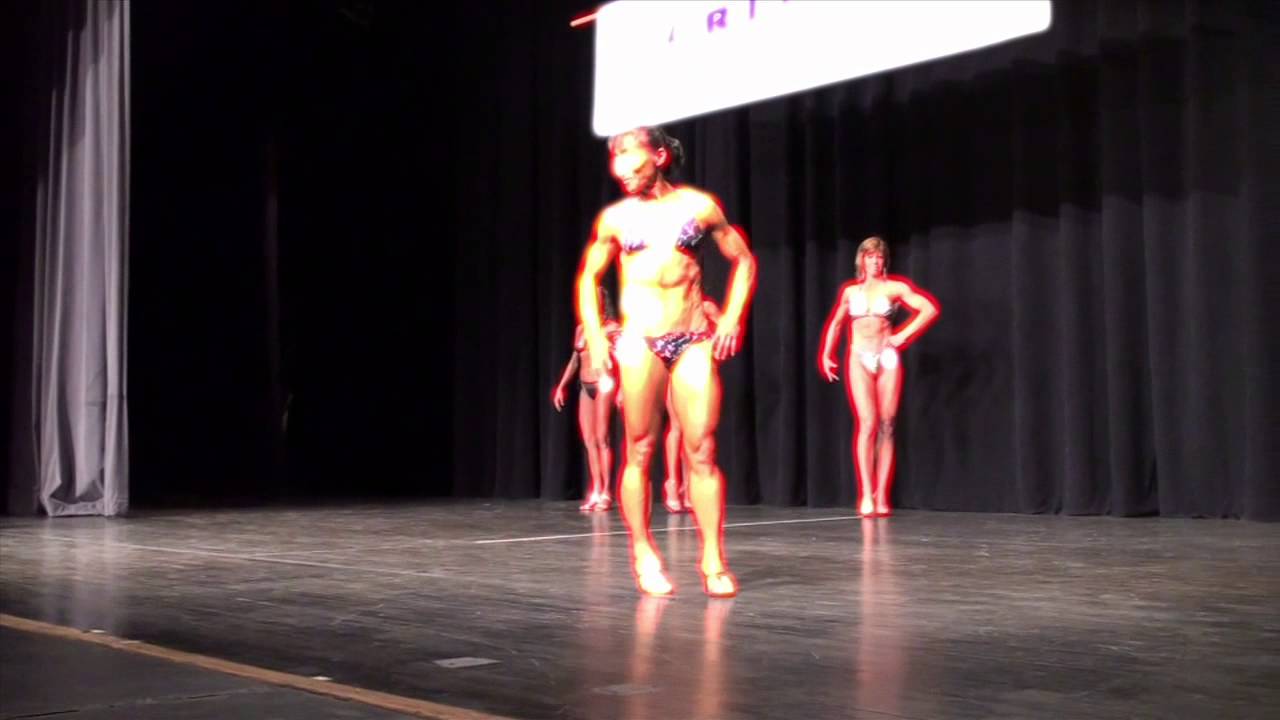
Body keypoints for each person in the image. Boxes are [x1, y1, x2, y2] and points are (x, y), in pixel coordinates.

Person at [577, 126, 757, 598]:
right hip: (640, 341)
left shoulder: (698, 207)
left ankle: (713, 558)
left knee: (702, 450)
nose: (623, 174)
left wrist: (732, 317)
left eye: (631, 162)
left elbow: (743, 260)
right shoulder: (616, 218)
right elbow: (589, 278)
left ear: (658, 156)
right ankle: (643, 553)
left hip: (693, 338)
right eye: (617, 165)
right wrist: (596, 336)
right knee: (639, 449)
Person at [819, 236, 939, 517]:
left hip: (886, 357)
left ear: (884, 261)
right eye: (870, 256)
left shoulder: (895, 288)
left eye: (879, 256)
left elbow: (929, 309)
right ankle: (866, 493)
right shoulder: (850, 292)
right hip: (859, 356)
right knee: (867, 423)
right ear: (861, 259)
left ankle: (882, 495)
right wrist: (826, 354)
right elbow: (836, 323)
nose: (875, 261)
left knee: (887, 424)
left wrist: (902, 335)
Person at [552, 288, 622, 511]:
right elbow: (575, 360)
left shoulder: (611, 328)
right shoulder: (581, 330)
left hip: (603, 384)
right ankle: (597, 488)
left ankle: (607, 492)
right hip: (585, 386)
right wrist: (561, 386)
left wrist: (622, 388)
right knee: (589, 440)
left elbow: (624, 358)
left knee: (602, 438)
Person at [663, 298, 722, 514]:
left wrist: (712, 347)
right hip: (673, 371)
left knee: (695, 432)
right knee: (676, 427)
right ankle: (672, 483)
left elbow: (726, 329)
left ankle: (688, 488)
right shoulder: (670, 306)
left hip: (699, 372)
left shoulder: (706, 307)